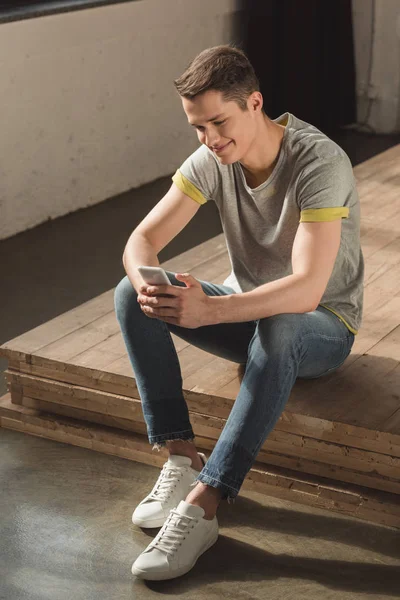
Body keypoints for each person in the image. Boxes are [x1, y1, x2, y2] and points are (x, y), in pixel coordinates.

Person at [114, 44, 364, 581]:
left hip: (321, 325)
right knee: (129, 295)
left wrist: (209, 311)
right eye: (198, 128)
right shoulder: (212, 158)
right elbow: (141, 240)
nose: (209, 139)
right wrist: (150, 286)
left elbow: (305, 292)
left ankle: (206, 502)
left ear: (255, 102)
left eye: (218, 122)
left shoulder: (319, 162)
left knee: (280, 322)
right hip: (251, 314)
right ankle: (181, 457)